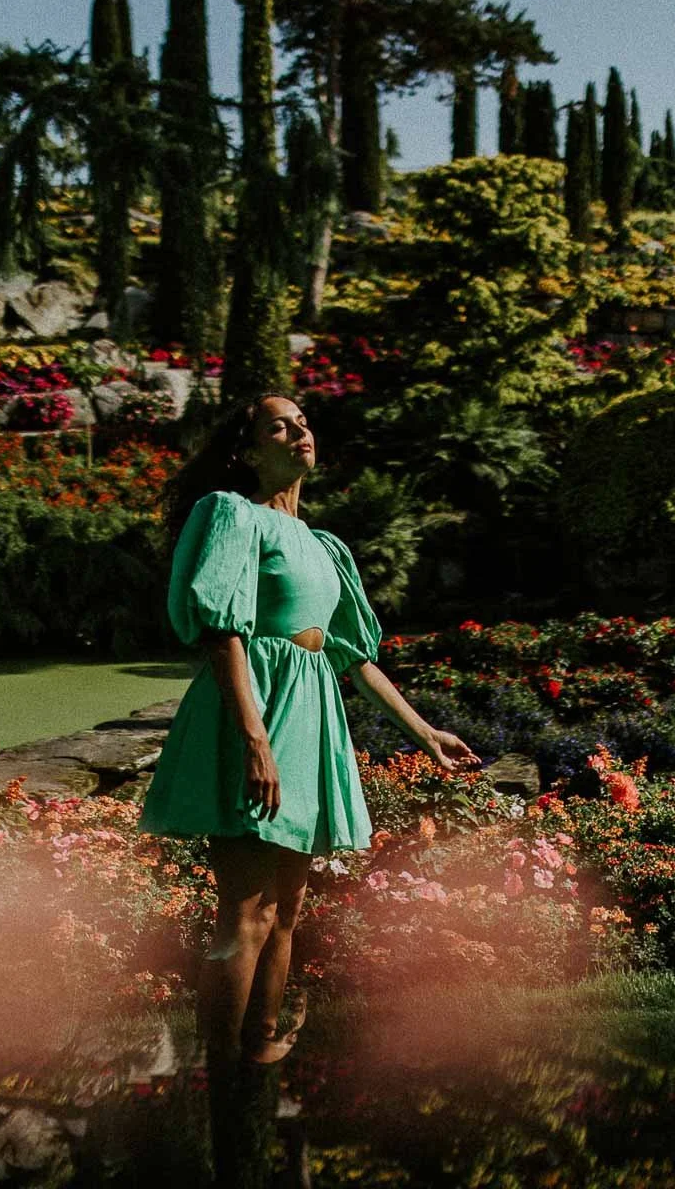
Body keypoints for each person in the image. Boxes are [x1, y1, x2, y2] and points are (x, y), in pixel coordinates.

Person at [138, 390, 479, 1069]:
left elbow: (352, 656)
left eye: (302, 423)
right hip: (254, 711)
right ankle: (221, 1070)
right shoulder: (232, 513)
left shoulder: (324, 545)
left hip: (310, 713)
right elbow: (221, 632)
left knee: (287, 910)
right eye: (278, 427)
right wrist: (254, 740)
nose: (299, 432)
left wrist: (424, 732)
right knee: (246, 911)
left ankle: (260, 1050)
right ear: (246, 451)